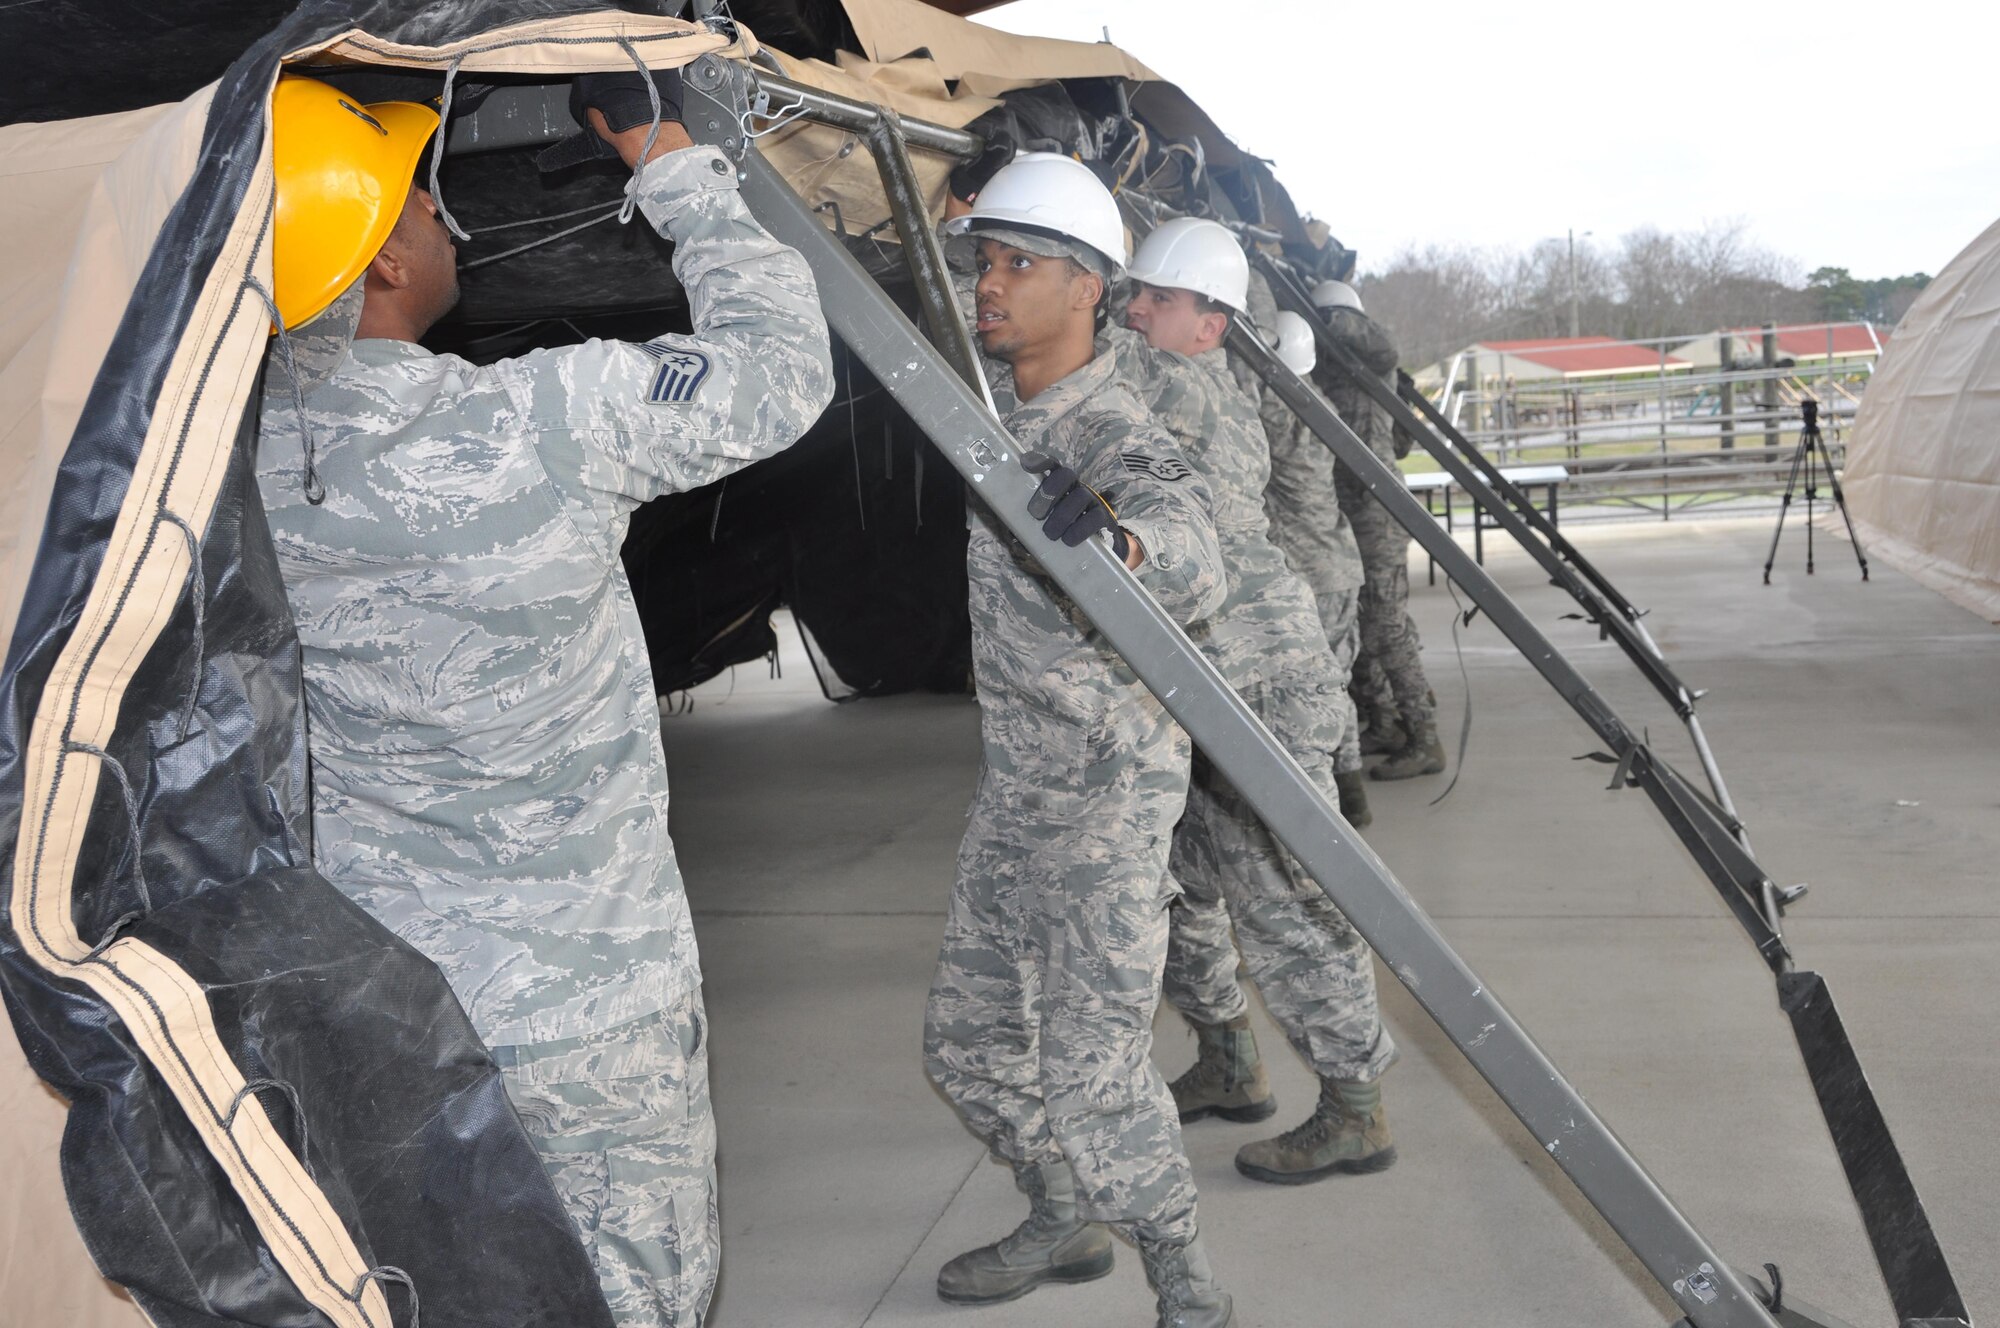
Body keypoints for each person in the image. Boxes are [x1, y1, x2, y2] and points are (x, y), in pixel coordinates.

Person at [255, 70, 832, 1327]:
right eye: (414, 205)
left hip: (380, 1011)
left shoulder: (218, 484)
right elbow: (779, 368)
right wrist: (668, 162)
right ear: (383, 270)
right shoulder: (541, 419)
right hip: (588, 1009)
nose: (442, 221)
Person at [924, 153, 1235, 1328]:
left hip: (1105, 804)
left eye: (1019, 265)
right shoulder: (1003, 408)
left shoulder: (1110, 430)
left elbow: (1187, 543)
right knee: (967, 1045)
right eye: (986, 262)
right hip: (1017, 792)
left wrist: (1124, 546)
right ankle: (1061, 1213)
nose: (989, 286)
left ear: (1089, 288)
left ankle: (1187, 1287)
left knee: (1094, 1078)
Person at [1113, 219, 1398, 1186]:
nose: (1133, 309)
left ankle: (1356, 1107)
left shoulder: (1186, 389)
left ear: (1213, 324)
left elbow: (1071, 346)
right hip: (1186, 685)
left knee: (1287, 902)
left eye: (1158, 299)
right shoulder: (1169, 378)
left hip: (1254, 687)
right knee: (1180, 885)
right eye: (1129, 291)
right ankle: (1230, 1058)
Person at [1237, 276, 1372, 824]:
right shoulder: (1319, 404)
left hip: (1310, 572)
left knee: (1314, 688)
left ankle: (1339, 796)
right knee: (1337, 680)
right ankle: (1353, 785)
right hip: (1339, 561)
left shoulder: (1281, 410)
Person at [1314, 280, 1446, 780]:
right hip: (1346, 507)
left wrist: (1323, 316)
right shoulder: (1333, 368)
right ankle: (1386, 722)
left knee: (1387, 626)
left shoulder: (1368, 354)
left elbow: (1380, 342)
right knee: (1361, 620)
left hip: (1376, 508)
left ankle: (1424, 737)